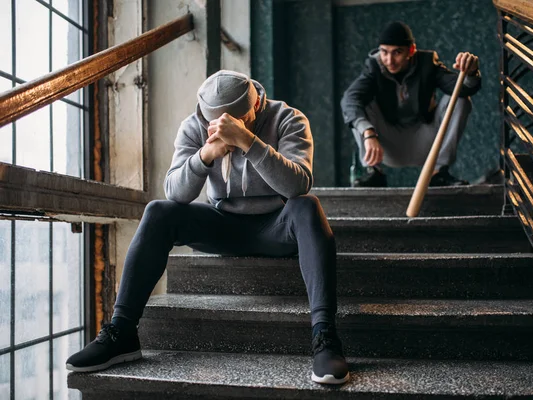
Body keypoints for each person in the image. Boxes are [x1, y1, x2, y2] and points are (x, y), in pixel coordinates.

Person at [66, 70, 350, 385]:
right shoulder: (194, 126)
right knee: (159, 211)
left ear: (255, 106)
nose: (225, 127)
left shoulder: (287, 118)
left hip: (277, 226)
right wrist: (205, 155)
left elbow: (297, 185)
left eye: (240, 118)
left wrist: (248, 141)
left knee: (307, 206)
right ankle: (122, 332)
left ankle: (325, 334)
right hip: (223, 225)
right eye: (216, 122)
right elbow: (176, 193)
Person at [341, 21, 482, 187]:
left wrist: (471, 72)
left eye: (397, 53)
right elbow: (349, 100)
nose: (389, 60)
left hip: (427, 142)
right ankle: (374, 173)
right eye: (384, 52)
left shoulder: (427, 63)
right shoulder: (374, 66)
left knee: (459, 100)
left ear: (411, 50)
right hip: (386, 146)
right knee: (359, 104)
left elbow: (463, 88)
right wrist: (368, 132)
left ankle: (438, 173)